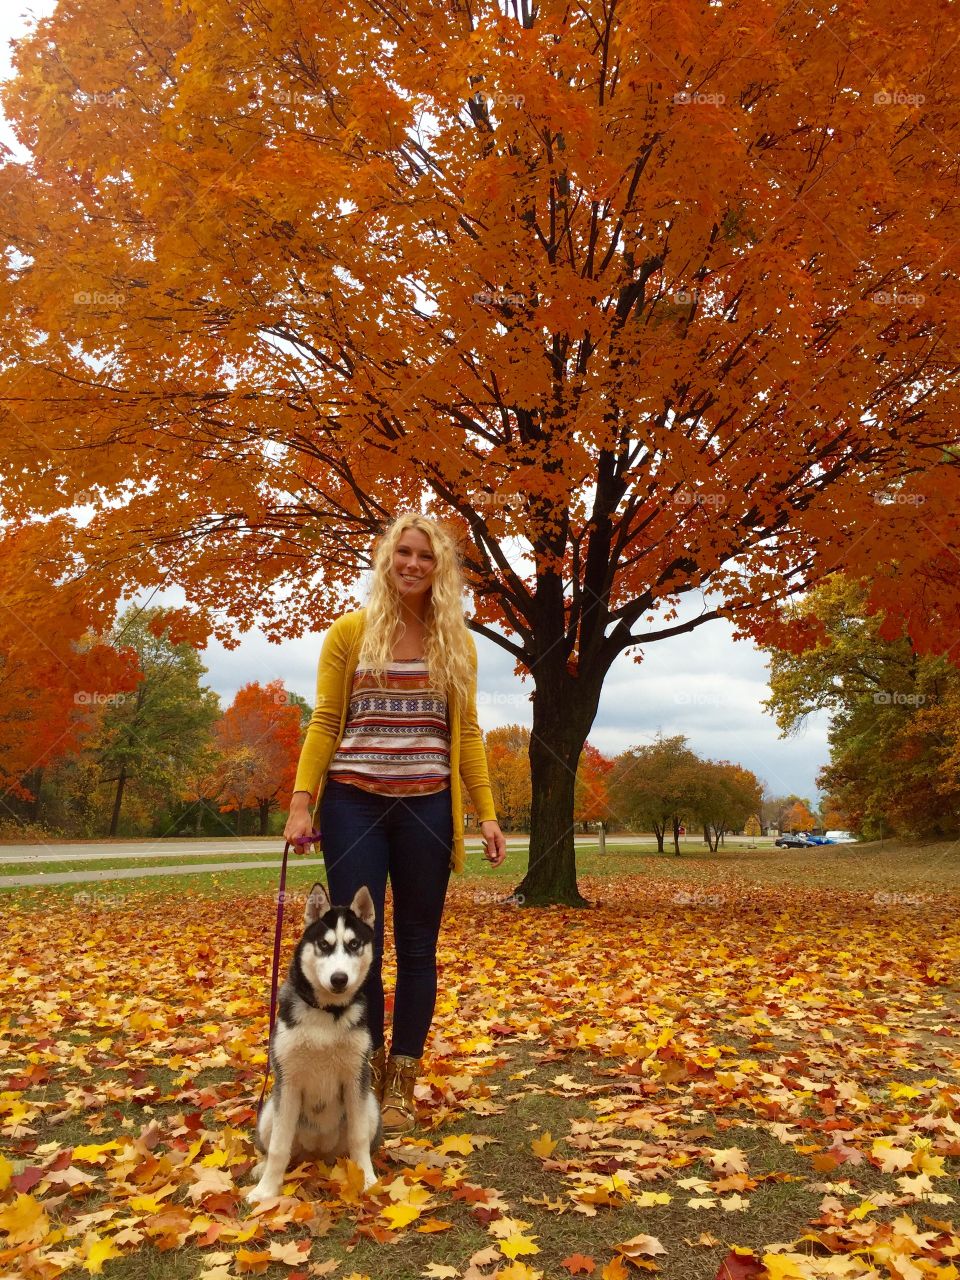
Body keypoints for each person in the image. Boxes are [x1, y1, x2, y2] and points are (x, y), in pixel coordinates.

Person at [284, 512, 507, 1135]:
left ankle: (401, 1082)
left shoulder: (456, 643)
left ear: (440, 569)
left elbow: (466, 735)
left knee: (417, 946)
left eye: (425, 556)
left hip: (428, 809)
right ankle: (364, 1075)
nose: (412, 564)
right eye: (402, 553)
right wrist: (303, 799)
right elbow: (326, 720)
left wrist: (486, 811)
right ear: (386, 559)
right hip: (354, 803)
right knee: (362, 948)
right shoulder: (350, 634)